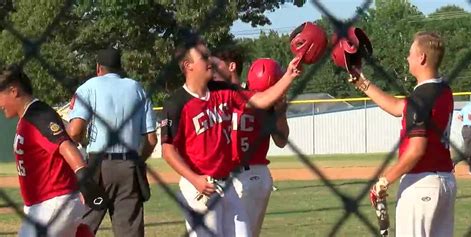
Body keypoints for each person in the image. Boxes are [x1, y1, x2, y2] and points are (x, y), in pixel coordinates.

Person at [160, 35, 301, 237]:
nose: (210, 61)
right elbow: (168, 151)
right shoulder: (176, 103)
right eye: (204, 57)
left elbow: (260, 100)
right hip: (200, 186)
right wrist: (195, 179)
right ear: (188, 65)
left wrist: (288, 75)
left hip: (227, 183)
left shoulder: (223, 90)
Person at [351, 32, 456, 236]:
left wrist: (384, 180)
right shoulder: (444, 90)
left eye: (410, 53)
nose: (407, 58)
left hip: (421, 185)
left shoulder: (420, 98)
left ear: (422, 58)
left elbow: (416, 150)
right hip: (445, 182)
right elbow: (400, 106)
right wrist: (362, 83)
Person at [0, 64, 103, 236]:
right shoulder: (29, 116)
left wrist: (84, 178)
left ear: (13, 90)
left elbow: (64, 145)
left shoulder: (37, 114)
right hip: (45, 205)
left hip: (53, 202)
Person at [68, 47, 157, 237]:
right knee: (130, 231)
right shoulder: (137, 88)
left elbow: (74, 132)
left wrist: (83, 140)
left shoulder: (89, 87)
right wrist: (139, 160)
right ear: (119, 67)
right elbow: (151, 139)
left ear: (98, 67)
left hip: (98, 166)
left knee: (82, 226)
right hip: (129, 167)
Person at [233, 58, 290, 237]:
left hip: (235, 176)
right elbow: (281, 141)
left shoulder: (232, 97)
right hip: (261, 177)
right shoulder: (270, 106)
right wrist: (280, 111)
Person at [457, 99, 471, 174]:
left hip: (467, 129)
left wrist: (465, 121)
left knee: (470, 149)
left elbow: (459, 117)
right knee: (470, 150)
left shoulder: (467, 106)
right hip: (470, 130)